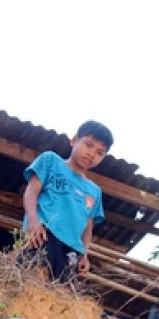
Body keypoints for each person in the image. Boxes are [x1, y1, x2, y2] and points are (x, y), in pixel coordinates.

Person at [22, 120, 113, 282]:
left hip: (71, 249)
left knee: (59, 292)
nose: (92, 154)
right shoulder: (51, 161)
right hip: (43, 234)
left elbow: (88, 226)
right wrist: (33, 221)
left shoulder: (95, 191)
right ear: (74, 140)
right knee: (35, 279)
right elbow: (31, 192)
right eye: (88, 145)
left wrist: (84, 254)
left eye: (100, 152)